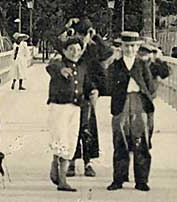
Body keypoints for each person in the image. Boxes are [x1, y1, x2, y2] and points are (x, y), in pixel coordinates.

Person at [54, 18, 109, 177]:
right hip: (71, 94)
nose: (82, 37)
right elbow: (57, 43)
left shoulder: (93, 50)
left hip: (88, 94)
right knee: (71, 128)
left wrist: (96, 37)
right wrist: (67, 27)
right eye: (80, 34)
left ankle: (88, 162)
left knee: (88, 128)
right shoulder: (71, 48)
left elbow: (108, 53)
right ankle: (71, 161)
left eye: (85, 34)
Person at [46, 38, 99, 192]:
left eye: (77, 49)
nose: (74, 52)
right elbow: (51, 67)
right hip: (59, 108)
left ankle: (56, 170)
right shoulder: (59, 63)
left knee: (70, 141)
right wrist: (61, 70)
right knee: (60, 139)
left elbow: (87, 83)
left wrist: (93, 90)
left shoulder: (82, 66)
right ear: (64, 51)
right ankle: (62, 179)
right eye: (71, 49)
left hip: (75, 108)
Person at [105, 32, 155, 192]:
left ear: (138, 47)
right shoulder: (115, 65)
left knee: (141, 140)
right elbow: (108, 85)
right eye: (126, 46)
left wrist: (144, 96)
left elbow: (150, 87)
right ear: (121, 47)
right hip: (121, 103)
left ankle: (142, 180)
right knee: (120, 140)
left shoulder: (142, 65)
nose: (129, 49)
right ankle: (118, 179)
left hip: (139, 103)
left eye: (133, 46)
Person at [138, 38, 170, 148]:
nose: (144, 54)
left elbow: (165, 73)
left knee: (149, 120)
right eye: (142, 51)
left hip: (149, 96)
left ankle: (147, 140)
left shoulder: (155, 65)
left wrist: (159, 59)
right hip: (135, 95)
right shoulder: (135, 63)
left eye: (147, 52)